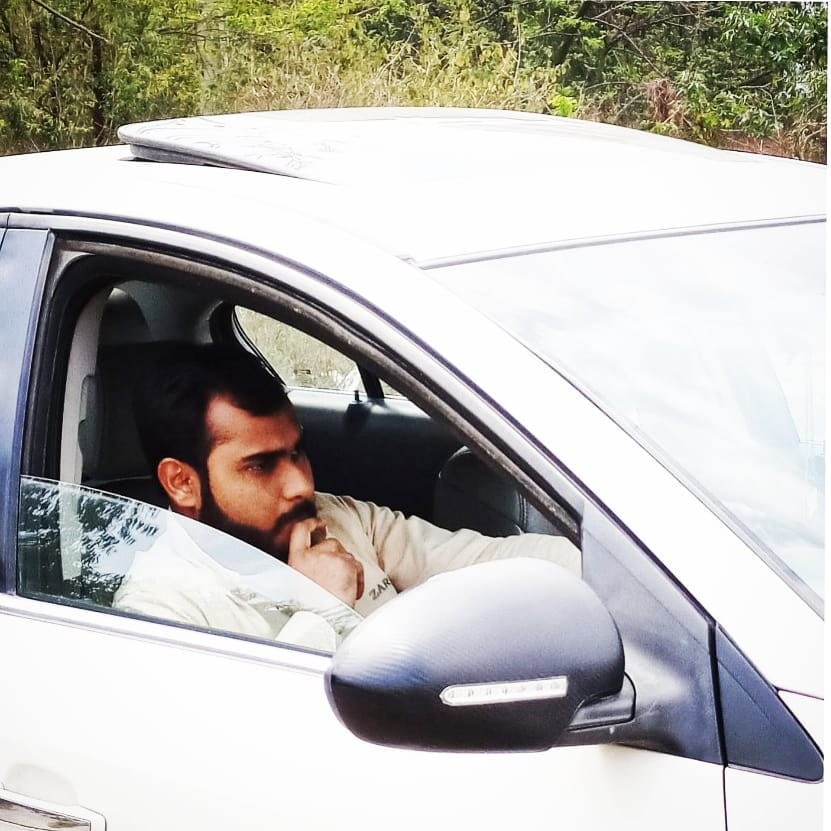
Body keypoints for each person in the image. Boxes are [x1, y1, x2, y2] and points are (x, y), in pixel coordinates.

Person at [113, 342, 579, 647]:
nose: (301, 485)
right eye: (260, 465)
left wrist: (607, 568)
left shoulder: (336, 517)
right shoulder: (158, 610)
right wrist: (321, 613)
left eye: (297, 452)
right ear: (182, 482)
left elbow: (487, 560)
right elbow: (247, 743)